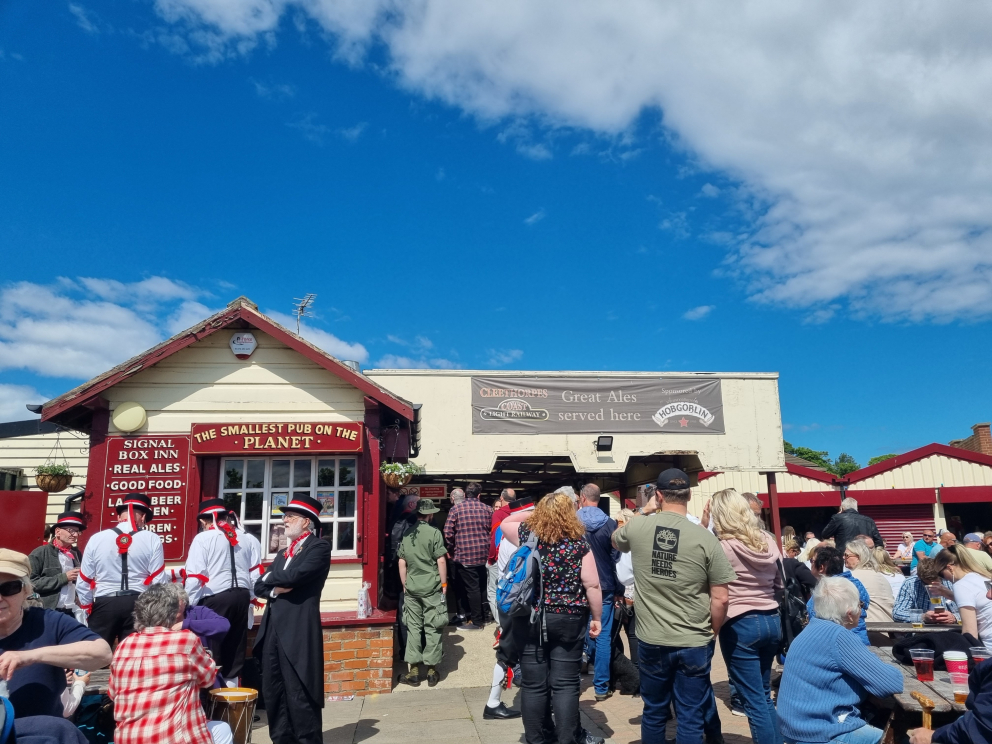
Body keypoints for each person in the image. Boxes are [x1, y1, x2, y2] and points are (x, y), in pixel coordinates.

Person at [612, 468, 737, 744]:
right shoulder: (706, 538)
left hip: (651, 638)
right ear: (689, 495)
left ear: (658, 495)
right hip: (693, 638)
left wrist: (644, 511)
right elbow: (721, 597)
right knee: (690, 714)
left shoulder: (638, 526)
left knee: (654, 711)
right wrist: (712, 631)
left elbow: (615, 540)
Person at [501, 492, 604, 744]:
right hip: (569, 617)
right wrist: (597, 617)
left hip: (531, 617)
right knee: (566, 684)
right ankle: (566, 738)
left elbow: (505, 522)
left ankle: (536, 739)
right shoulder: (578, 543)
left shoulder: (528, 536)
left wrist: (536, 512)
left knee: (534, 685)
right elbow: (592, 585)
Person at [778, 576, 903, 744]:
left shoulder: (811, 629)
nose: (862, 610)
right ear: (849, 614)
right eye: (861, 605)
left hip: (796, 728)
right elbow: (891, 683)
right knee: (903, 739)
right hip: (824, 731)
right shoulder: (838, 636)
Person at [109, 583, 234, 744]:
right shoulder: (185, 641)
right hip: (175, 738)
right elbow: (208, 679)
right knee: (222, 730)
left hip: (129, 739)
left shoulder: (124, 646)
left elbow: (113, 693)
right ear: (173, 614)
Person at [252, 494, 332, 744]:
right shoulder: (284, 553)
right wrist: (273, 586)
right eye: (284, 516)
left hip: (298, 629)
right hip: (273, 628)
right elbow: (259, 586)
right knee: (274, 688)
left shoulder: (318, 548)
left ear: (306, 522)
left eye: (290, 516)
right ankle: (282, 739)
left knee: (299, 688)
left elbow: (295, 576)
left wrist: (272, 579)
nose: (284, 520)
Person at [0, 549, 112, 720]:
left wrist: (31, 656)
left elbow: (102, 653)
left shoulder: (47, 622)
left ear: (26, 591)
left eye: (9, 588)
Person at [710, 488, 782, 744]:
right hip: (772, 618)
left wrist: (713, 629)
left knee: (753, 702)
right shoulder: (768, 540)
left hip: (740, 624)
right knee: (763, 695)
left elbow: (720, 595)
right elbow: (780, 583)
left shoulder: (722, 547)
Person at [76, 492, 166, 647]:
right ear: (143, 517)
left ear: (119, 517)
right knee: (134, 657)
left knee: (94, 655)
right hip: (138, 603)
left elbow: (83, 581)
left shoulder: (96, 538)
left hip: (104, 602)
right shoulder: (152, 538)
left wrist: (87, 607)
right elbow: (159, 581)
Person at [183, 499, 253, 686]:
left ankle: (212, 703)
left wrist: (188, 604)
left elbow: (196, 577)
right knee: (235, 652)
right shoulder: (245, 538)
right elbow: (254, 574)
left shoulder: (203, 538)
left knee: (212, 652)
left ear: (204, 522)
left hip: (216, 599)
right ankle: (231, 706)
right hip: (242, 597)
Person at [484, 496, 534, 721]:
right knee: (507, 655)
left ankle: (495, 702)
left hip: (509, 601)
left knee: (510, 654)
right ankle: (493, 703)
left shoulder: (505, 536)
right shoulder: (517, 539)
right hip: (516, 604)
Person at [397, 498, 448, 688]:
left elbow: (402, 562)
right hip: (431, 587)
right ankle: (432, 671)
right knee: (433, 626)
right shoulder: (434, 533)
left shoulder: (407, 533)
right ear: (430, 514)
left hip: (412, 587)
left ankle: (414, 671)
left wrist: (405, 584)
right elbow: (441, 561)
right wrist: (444, 583)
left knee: (413, 627)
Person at [576, 483, 619, 703]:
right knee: (603, 634)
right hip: (605, 586)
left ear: (582, 497)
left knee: (580, 632)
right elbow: (616, 556)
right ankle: (601, 686)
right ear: (598, 498)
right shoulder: (610, 523)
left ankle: (573, 683)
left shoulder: (572, 523)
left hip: (578, 586)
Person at [443, 482, 493, 631]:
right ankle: (485, 615)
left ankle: (477, 622)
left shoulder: (456, 509)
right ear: (479, 495)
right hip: (484, 555)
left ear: (465, 495)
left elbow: (447, 533)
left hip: (465, 556)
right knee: (483, 586)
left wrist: (451, 549)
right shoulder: (488, 509)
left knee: (472, 589)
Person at [807, 546, 870, 645]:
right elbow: (866, 602)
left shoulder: (823, 592)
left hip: (835, 646)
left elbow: (814, 621)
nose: (810, 563)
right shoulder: (856, 583)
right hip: (861, 641)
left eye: (812, 561)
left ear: (821, 567)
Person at [28, 512, 85, 620]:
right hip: (46, 612)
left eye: (77, 531)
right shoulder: (40, 553)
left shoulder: (76, 553)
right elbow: (30, 583)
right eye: (71, 530)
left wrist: (77, 595)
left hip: (71, 612)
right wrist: (64, 577)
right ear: (57, 531)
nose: (75, 535)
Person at [943, 544, 992, 652]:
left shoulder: (961, 584)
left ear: (949, 567)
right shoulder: (984, 577)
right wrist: (949, 594)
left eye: (941, 574)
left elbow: (970, 633)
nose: (943, 579)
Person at [892, 553, 960, 625]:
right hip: (921, 632)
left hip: (950, 630)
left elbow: (970, 609)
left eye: (936, 584)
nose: (931, 588)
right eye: (927, 584)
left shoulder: (950, 581)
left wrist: (954, 617)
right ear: (919, 577)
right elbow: (897, 613)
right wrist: (922, 617)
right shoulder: (911, 583)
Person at [844, 540, 894, 623]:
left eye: (846, 555)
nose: (843, 557)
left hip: (868, 626)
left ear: (859, 557)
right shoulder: (879, 575)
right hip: (889, 625)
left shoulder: (853, 577)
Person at [487, 488, 515, 633]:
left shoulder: (498, 514)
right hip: (519, 558)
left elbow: (494, 538)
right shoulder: (521, 513)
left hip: (500, 558)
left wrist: (491, 558)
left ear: (501, 498)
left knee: (493, 591)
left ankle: (502, 625)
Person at [614, 508, 637, 666]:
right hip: (622, 592)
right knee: (620, 635)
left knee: (631, 634)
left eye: (620, 522)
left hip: (629, 592)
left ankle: (635, 672)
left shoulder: (627, 544)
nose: (618, 526)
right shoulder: (619, 543)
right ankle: (627, 671)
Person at [820, 497, 884, 552]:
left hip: (845, 555)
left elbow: (825, 534)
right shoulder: (869, 520)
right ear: (856, 508)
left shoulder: (838, 518)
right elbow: (878, 542)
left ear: (842, 508)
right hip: (865, 556)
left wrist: (838, 516)